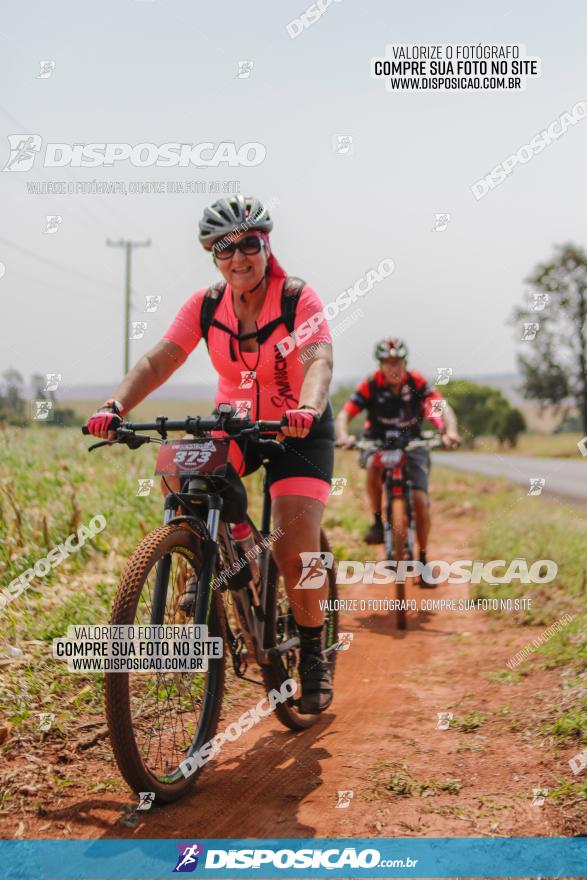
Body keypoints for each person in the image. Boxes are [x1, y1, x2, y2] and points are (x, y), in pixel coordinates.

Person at [85, 195, 335, 714]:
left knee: (296, 549)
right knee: (180, 468)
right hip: (237, 424)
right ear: (211, 254)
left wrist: (307, 408)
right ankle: (216, 557)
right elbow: (161, 359)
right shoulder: (205, 305)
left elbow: (319, 359)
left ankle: (312, 651)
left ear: (266, 245)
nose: (239, 256)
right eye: (226, 248)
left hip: (300, 430)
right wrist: (115, 405)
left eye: (250, 244)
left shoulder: (296, 298)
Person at [335, 337, 460, 563]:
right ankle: (376, 521)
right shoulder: (370, 384)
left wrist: (449, 431)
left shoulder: (416, 381)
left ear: (405, 362)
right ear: (380, 365)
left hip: (413, 443)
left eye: (398, 362)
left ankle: (422, 558)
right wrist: (343, 436)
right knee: (372, 467)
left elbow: (440, 407)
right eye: (388, 362)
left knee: (421, 501)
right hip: (377, 442)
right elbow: (345, 414)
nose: (394, 367)